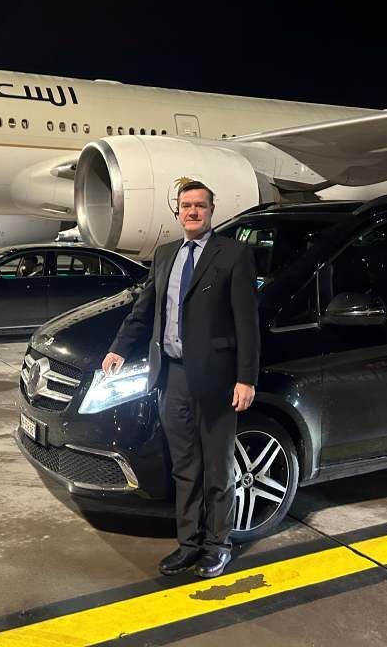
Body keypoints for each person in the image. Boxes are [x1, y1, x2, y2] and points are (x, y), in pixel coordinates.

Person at [102, 180, 259, 579]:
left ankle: (217, 546)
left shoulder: (233, 254)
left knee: (218, 469)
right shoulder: (165, 254)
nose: (193, 212)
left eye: (200, 206)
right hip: (171, 377)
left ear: (211, 210)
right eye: (186, 205)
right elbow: (144, 309)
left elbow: (247, 322)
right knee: (185, 467)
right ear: (177, 211)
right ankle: (188, 545)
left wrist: (246, 377)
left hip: (218, 380)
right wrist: (119, 347)